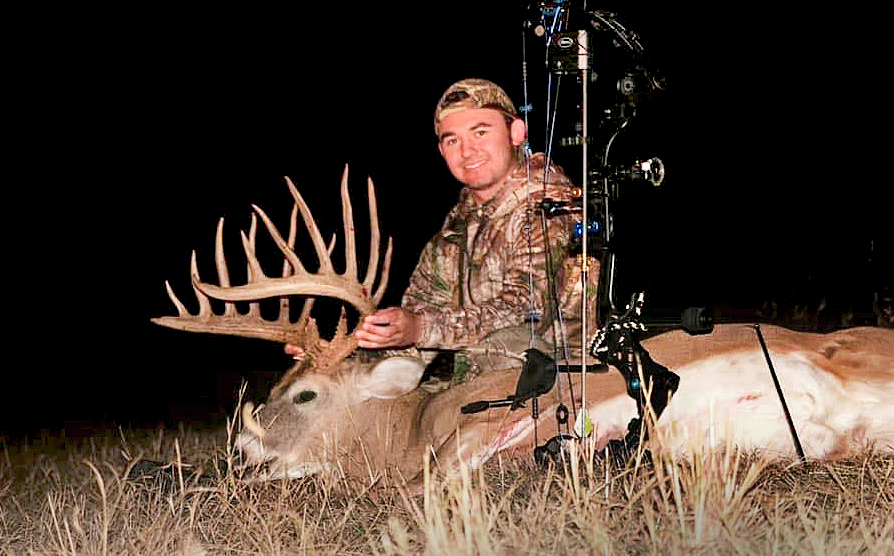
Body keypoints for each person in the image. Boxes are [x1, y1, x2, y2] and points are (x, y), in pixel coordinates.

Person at [352, 78, 597, 370]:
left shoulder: (551, 209)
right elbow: (420, 314)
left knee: (505, 346)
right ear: (442, 152)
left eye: (480, 132)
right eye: (452, 140)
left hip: (571, 383)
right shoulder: (454, 232)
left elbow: (526, 310)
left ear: (516, 133)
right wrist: (349, 351)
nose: (467, 151)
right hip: (481, 390)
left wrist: (419, 329)